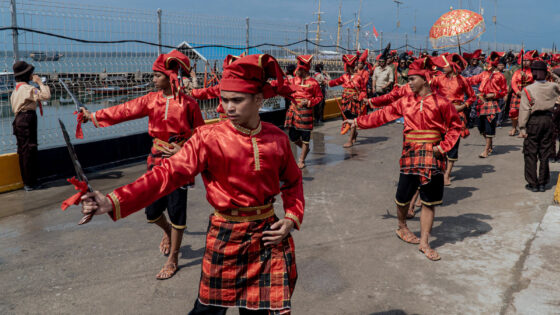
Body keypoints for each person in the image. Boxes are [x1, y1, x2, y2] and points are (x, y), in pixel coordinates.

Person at [80, 54, 304, 315]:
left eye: (237, 100)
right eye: (224, 100)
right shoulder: (208, 138)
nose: (228, 107)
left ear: (258, 99)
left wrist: (290, 219)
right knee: (207, 310)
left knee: (259, 311)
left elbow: (292, 181)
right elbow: (167, 175)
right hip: (226, 234)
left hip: (267, 236)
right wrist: (112, 200)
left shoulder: (277, 139)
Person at [79, 50, 205, 280]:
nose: (153, 79)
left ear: (170, 77)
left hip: (180, 162)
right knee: (152, 211)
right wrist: (93, 116)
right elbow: (123, 111)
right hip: (156, 159)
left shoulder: (189, 105)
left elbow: (201, 135)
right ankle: (166, 231)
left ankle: (173, 257)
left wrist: (186, 149)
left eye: (157, 75)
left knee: (177, 210)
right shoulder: (151, 100)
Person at [346, 57, 462, 261]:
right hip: (410, 153)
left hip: (433, 155)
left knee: (429, 201)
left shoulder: (442, 103)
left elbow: (455, 127)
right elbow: (381, 115)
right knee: (402, 197)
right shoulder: (405, 102)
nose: (408, 83)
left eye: (412, 79)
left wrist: (442, 148)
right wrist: (357, 122)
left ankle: (425, 242)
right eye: (408, 79)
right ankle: (402, 226)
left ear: (425, 80)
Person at [431, 53, 476, 186]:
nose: (443, 67)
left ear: (452, 65)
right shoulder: (438, 79)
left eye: (445, 64)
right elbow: (428, 86)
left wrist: (463, 105)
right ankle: (438, 170)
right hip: (441, 115)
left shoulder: (463, 80)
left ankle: (447, 174)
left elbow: (472, 97)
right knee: (438, 142)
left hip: (457, 114)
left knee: (453, 144)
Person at [519, 60, 560, 192]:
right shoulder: (553, 86)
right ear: (545, 72)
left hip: (533, 121)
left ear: (533, 72)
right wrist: (554, 76)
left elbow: (525, 110)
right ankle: (543, 183)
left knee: (530, 153)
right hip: (549, 120)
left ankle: (533, 183)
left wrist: (522, 127)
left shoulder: (528, 89)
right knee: (545, 152)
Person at [10, 60, 51, 191]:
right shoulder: (28, 89)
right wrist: (39, 82)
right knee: (29, 150)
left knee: (23, 150)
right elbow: (46, 95)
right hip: (27, 118)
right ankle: (31, 182)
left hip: (18, 119)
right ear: (27, 74)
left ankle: (27, 181)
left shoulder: (16, 89)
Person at [284, 55, 323, 169]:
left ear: (304, 69)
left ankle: (302, 159)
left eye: (299, 69)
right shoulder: (293, 80)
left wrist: (310, 102)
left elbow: (320, 97)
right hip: (294, 111)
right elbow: (283, 86)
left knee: (306, 137)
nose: (297, 71)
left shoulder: (314, 82)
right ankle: (305, 149)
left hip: (306, 112)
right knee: (292, 137)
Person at [467, 52, 508, 158]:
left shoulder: (500, 76)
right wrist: (461, 79)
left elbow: (503, 91)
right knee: (480, 127)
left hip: (491, 103)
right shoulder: (484, 74)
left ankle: (486, 150)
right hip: (481, 102)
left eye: (488, 63)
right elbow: (473, 80)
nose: (486, 65)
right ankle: (489, 144)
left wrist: (494, 94)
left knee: (489, 126)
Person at [328, 54, 367, 148]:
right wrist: (326, 82)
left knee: (353, 119)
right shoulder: (344, 76)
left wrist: (359, 98)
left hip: (354, 101)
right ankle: (354, 134)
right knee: (346, 119)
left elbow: (364, 91)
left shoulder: (359, 77)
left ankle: (350, 140)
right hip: (345, 100)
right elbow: (334, 82)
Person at [509, 50, 538, 136]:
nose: (525, 62)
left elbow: (533, 80)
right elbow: (513, 82)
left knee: (526, 112)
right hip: (517, 93)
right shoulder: (517, 71)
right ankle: (514, 128)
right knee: (514, 111)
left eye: (527, 60)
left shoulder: (533, 71)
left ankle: (523, 129)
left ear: (531, 61)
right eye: (524, 60)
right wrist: (517, 91)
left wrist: (526, 77)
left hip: (528, 92)